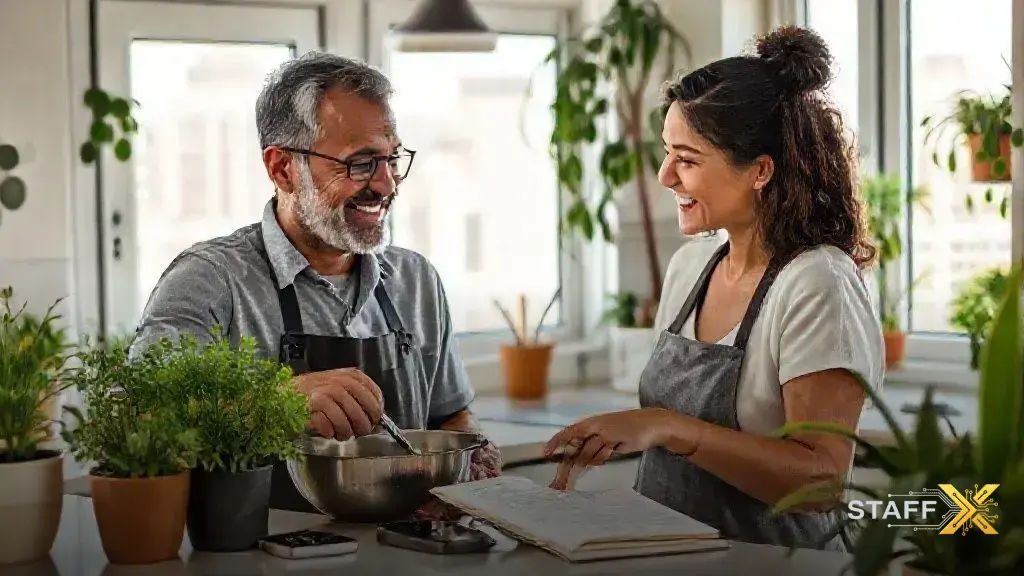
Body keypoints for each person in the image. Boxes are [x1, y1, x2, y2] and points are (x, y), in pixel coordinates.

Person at [543, 26, 884, 551]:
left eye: (687, 159)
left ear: (760, 170)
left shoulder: (817, 283)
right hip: (669, 554)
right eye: (666, 152)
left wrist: (665, 426)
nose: (664, 176)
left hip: (778, 563)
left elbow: (821, 481)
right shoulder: (690, 267)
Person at [130, 51, 501, 512]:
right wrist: (273, 400)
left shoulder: (417, 281)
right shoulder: (210, 281)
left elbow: (451, 417)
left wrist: (474, 454)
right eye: (361, 163)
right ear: (282, 168)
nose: (386, 185)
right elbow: (138, 419)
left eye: (391, 159)